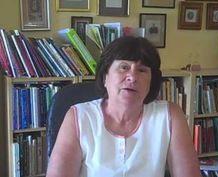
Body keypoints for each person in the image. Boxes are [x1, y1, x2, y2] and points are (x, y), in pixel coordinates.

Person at [46, 36, 201, 177]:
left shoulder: (169, 115)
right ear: (105, 77)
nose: (132, 77)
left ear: (151, 81)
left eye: (142, 70)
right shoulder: (78, 116)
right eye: (124, 67)